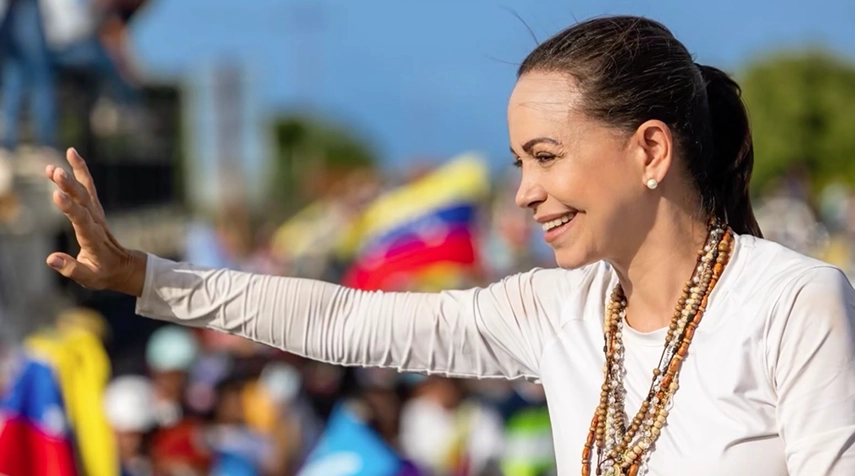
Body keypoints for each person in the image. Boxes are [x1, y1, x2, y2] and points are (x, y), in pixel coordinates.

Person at [42, 15, 855, 476]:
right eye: (517, 163)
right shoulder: (554, 307)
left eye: (546, 157)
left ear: (648, 150)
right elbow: (348, 322)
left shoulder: (790, 299)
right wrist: (147, 277)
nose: (524, 191)